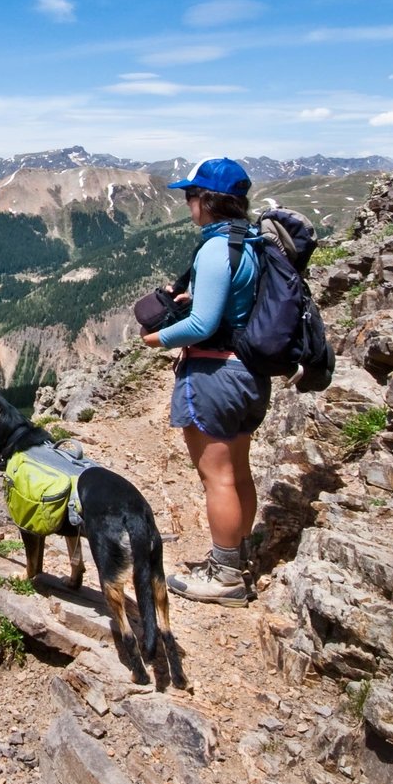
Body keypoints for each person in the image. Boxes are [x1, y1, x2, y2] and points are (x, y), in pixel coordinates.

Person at [138, 158, 267, 607]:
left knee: (218, 479)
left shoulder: (214, 249)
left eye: (191, 196)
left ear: (208, 201)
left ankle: (226, 575)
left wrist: (158, 338)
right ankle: (239, 552)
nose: (188, 204)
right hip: (250, 373)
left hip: (214, 375)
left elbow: (202, 324)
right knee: (239, 471)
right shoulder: (250, 241)